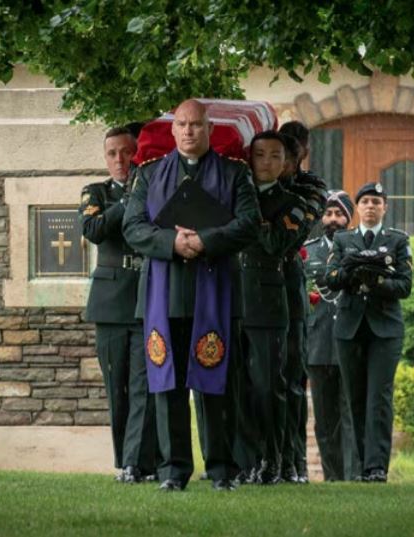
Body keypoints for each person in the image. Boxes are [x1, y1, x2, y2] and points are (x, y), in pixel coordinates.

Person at [123, 99, 261, 492]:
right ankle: (172, 471)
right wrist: (172, 242)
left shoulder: (234, 174)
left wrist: (205, 241)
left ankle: (221, 471)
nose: (188, 131)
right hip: (164, 296)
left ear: (209, 128)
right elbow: (133, 227)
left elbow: (249, 223)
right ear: (172, 130)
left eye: (196, 125)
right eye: (182, 125)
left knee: (218, 386)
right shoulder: (149, 176)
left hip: (215, 292)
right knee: (167, 386)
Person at [79, 126, 157, 484]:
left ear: (137, 154)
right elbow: (93, 229)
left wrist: (138, 196)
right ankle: (123, 459)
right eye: (112, 153)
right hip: (110, 302)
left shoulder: (153, 189)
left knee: (144, 384)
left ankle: (136, 463)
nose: (120, 160)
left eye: (127, 152)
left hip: (146, 297)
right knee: (118, 386)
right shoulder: (96, 192)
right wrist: (127, 203)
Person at [235, 131, 310, 484]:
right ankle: (244, 460)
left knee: (269, 386)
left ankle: (272, 460)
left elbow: (275, 242)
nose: (265, 163)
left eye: (274, 156)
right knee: (239, 386)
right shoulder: (234, 195)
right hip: (233, 298)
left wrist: (248, 215)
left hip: (267, 300)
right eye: (259, 155)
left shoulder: (293, 203)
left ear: (286, 164)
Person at [326, 182, 413, 482]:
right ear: (358, 208)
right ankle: (358, 467)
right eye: (365, 202)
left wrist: (377, 283)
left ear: (385, 208)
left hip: (385, 328)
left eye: (377, 201)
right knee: (354, 398)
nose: (371, 206)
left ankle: (376, 468)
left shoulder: (398, 241)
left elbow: (405, 286)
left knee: (379, 397)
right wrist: (352, 271)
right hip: (349, 327)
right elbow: (331, 278)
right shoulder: (343, 239)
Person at [278, 127, 327, 483]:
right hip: (255, 287)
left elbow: (291, 231)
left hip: (289, 285)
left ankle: (294, 462)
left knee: (293, 377)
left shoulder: (311, 187)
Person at [304, 190, 360, 481]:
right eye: (329, 213)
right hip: (317, 344)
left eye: (339, 214)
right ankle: (333, 478)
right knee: (324, 421)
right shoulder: (308, 250)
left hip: (350, 342)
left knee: (350, 416)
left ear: (349, 218)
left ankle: (353, 477)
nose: (333, 219)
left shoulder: (358, 249)